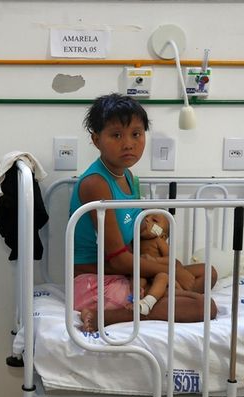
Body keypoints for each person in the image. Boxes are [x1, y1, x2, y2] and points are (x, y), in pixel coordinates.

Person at [70, 93, 217, 332]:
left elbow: (137, 228)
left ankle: (156, 300)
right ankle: (105, 317)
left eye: (136, 134)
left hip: (128, 271)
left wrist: (157, 229)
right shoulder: (96, 183)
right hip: (98, 280)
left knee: (207, 273)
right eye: (116, 135)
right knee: (204, 307)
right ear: (96, 140)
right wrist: (170, 269)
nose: (128, 143)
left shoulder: (128, 177)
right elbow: (118, 259)